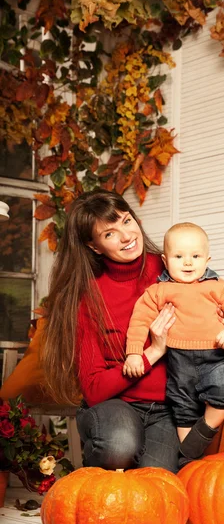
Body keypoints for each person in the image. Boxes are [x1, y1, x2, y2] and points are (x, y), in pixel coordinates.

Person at [42, 190, 181, 472]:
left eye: (127, 221)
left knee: (156, 482)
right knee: (119, 446)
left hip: (168, 407)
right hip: (115, 404)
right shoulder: (87, 296)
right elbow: (93, 389)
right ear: (94, 247)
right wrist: (152, 352)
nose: (127, 236)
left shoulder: (173, 268)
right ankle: (95, 480)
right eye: (109, 234)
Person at [123, 222, 224, 467]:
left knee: (223, 393)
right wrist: (134, 353)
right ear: (165, 260)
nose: (188, 262)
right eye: (179, 256)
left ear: (207, 259)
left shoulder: (216, 286)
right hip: (179, 361)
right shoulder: (159, 291)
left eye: (195, 256)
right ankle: (190, 462)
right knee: (183, 406)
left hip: (215, 355)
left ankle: (194, 444)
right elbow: (139, 321)